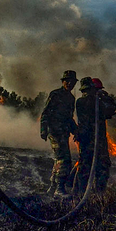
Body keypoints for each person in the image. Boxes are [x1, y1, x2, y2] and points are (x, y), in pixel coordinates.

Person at [73, 77, 116, 195]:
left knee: (91, 167)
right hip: (91, 141)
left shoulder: (92, 102)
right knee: (93, 168)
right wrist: (106, 97)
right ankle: (86, 194)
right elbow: (110, 109)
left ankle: (88, 193)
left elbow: (105, 112)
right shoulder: (87, 102)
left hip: (93, 140)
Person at [40, 70, 79, 198]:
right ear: (62, 82)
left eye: (72, 82)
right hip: (55, 131)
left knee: (59, 159)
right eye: (67, 81)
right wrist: (43, 130)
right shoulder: (55, 94)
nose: (69, 83)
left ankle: (52, 187)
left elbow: (69, 118)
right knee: (64, 159)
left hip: (64, 132)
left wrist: (76, 131)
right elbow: (45, 113)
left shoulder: (71, 98)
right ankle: (60, 189)